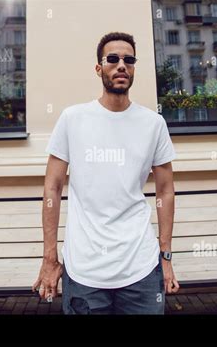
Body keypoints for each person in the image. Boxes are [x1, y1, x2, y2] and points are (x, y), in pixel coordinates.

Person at [33, 32, 179, 314]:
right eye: (112, 59)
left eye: (129, 59)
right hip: (84, 270)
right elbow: (52, 188)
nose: (121, 65)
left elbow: (165, 191)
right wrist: (49, 257)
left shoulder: (153, 124)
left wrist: (166, 256)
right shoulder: (72, 119)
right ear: (99, 68)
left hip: (141, 267)